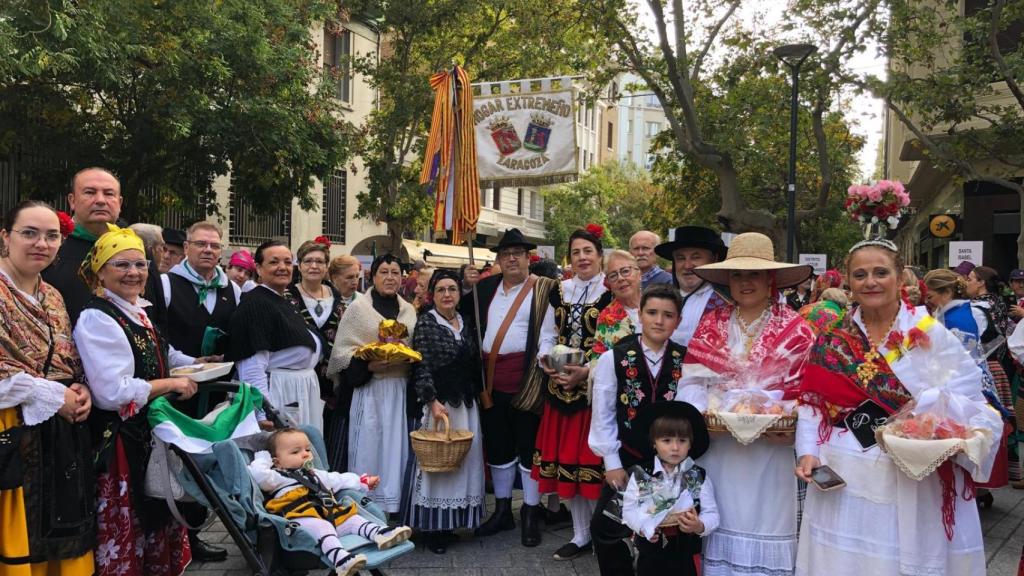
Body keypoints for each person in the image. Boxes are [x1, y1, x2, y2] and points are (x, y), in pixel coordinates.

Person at [795, 238, 999, 576]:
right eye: (860, 275)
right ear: (849, 282)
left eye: (880, 272)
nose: (870, 281)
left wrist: (928, 410)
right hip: (844, 470)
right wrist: (807, 452)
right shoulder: (832, 336)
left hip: (908, 471)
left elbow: (973, 401)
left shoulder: (929, 333)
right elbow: (812, 404)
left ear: (900, 276)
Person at [678, 232, 814, 576]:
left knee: (769, 520)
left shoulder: (797, 329)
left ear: (770, 279)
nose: (745, 282)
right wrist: (701, 418)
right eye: (737, 274)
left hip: (772, 450)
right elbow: (692, 382)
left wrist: (788, 421)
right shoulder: (712, 323)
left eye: (753, 274)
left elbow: (810, 394)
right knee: (720, 516)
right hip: (720, 446)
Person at [73, 227, 197, 576]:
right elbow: (113, 392)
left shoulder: (135, 309)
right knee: (134, 528)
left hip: (145, 435)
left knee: (156, 522)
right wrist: (170, 383)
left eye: (140, 264)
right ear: (100, 271)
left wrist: (194, 364)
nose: (133, 272)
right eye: (121, 264)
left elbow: (156, 352)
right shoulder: (98, 317)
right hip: (120, 444)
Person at [0, 200, 95, 576]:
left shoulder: (52, 295)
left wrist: (78, 387)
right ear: (5, 237)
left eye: (51, 235)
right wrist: (52, 396)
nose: (41, 243)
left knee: (60, 537)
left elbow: (66, 358)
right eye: (29, 233)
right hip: (9, 433)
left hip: (57, 437)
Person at [460, 228, 558, 546]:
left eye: (517, 252)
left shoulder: (546, 289)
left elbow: (553, 329)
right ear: (499, 260)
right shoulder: (486, 287)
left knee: (529, 447)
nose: (512, 258)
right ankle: (503, 510)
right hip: (490, 380)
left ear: (528, 258)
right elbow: (461, 314)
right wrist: (466, 283)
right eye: (505, 254)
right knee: (499, 446)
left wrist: (548, 358)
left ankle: (530, 511)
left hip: (528, 378)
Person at [589, 284, 686, 576]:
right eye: (652, 312)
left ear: (678, 321)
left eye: (668, 315)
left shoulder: (686, 360)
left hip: (669, 464)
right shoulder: (614, 358)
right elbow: (603, 413)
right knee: (605, 528)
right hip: (629, 460)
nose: (659, 320)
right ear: (640, 316)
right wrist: (611, 463)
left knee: (659, 532)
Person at [156, 221, 238, 560]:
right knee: (178, 461)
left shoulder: (232, 289)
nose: (208, 250)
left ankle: (197, 534)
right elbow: (158, 335)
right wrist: (191, 361)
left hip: (216, 391)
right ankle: (174, 536)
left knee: (207, 458)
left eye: (214, 246)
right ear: (186, 247)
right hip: (178, 388)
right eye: (201, 244)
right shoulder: (165, 284)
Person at [534, 226, 612, 559]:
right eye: (576, 252)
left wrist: (588, 372)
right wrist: (547, 362)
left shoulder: (610, 290)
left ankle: (601, 532)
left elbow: (617, 341)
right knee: (569, 462)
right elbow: (548, 333)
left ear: (599, 255)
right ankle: (580, 535)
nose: (582, 257)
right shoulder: (559, 290)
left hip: (594, 391)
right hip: (559, 387)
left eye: (588, 251)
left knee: (591, 465)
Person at [249, 428, 412, 576]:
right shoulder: (277, 477)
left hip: (328, 515)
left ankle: (381, 534)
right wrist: (263, 457)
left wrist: (362, 481)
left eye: (307, 449)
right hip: (299, 520)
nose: (305, 454)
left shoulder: (315, 474)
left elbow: (339, 479)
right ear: (277, 461)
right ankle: (341, 560)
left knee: (353, 519)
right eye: (296, 452)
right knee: (323, 527)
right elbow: (259, 474)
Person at [327, 254, 418, 515]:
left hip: (399, 390)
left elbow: (414, 348)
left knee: (395, 450)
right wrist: (367, 365)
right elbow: (342, 354)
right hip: (369, 391)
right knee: (368, 448)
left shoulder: (409, 310)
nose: (390, 277)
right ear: (373, 277)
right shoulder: (358, 310)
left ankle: (394, 506)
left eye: (395, 272)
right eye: (384, 272)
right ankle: (363, 508)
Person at [409, 270, 486, 553]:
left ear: (459, 293)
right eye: (440, 290)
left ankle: (453, 523)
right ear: (432, 294)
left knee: (462, 462)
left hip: (466, 403)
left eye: (452, 289)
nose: (447, 295)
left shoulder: (466, 322)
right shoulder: (427, 324)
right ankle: (433, 528)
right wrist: (431, 400)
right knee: (437, 465)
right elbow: (421, 365)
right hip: (441, 404)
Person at [228, 240, 324, 432]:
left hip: (298, 391)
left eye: (288, 262)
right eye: (274, 262)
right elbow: (252, 368)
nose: (282, 267)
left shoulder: (280, 300)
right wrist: (264, 413)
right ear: (258, 268)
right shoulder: (255, 305)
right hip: (279, 395)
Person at [622, 402, 718, 576]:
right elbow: (629, 511)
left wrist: (699, 525)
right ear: (654, 443)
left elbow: (712, 514)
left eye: (682, 441)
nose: (675, 447)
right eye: (667, 440)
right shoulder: (642, 474)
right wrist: (643, 528)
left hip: (685, 555)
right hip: (650, 554)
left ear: (690, 444)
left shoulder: (696, 476)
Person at [286, 240, 349, 470]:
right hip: (298, 379)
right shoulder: (287, 296)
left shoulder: (337, 297)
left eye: (319, 261)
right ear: (299, 265)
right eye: (308, 261)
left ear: (326, 266)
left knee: (326, 434)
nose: (314, 266)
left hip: (331, 381)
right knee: (298, 433)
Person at [43, 167, 124, 325]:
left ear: (119, 203)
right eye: (90, 192)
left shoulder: (137, 252)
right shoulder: (49, 250)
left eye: (109, 193)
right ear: (72, 201)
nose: (100, 200)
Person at [965, 265, 1018, 485]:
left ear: (981, 283)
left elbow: (972, 342)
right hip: (997, 365)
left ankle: (982, 482)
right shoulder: (998, 303)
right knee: (996, 422)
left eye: (970, 278)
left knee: (982, 425)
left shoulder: (977, 308)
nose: (966, 282)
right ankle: (1011, 472)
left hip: (984, 368)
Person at [654, 226, 729, 347]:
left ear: (713, 259)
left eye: (696, 257)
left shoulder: (726, 303)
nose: (687, 265)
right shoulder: (659, 299)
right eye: (680, 258)